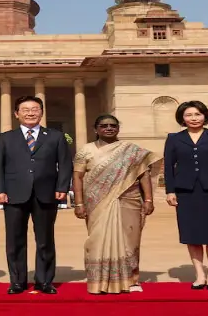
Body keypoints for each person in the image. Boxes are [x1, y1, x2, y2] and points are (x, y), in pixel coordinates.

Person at [0, 96, 72, 295]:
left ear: (41, 113)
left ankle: (44, 281)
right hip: (14, 194)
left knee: (45, 239)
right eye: (25, 109)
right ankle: (17, 281)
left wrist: (62, 186)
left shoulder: (55, 136)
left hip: (46, 193)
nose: (30, 113)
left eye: (35, 109)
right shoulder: (5, 138)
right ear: (17, 114)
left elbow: (65, 164)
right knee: (15, 239)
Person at [73, 115, 161, 294]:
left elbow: (143, 175)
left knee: (130, 240)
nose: (109, 128)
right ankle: (99, 282)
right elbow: (78, 176)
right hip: (97, 203)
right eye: (103, 125)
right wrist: (79, 203)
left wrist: (149, 200)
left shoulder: (131, 150)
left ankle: (131, 280)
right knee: (97, 240)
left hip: (129, 200)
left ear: (118, 128)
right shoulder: (85, 150)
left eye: (113, 125)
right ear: (95, 129)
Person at [164, 101, 208, 291]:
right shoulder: (174, 138)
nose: (193, 118)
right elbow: (169, 167)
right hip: (185, 191)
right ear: (182, 118)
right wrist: (170, 190)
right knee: (192, 235)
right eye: (189, 115)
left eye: (197, 114)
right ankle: (199, 274)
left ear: (205, 116)